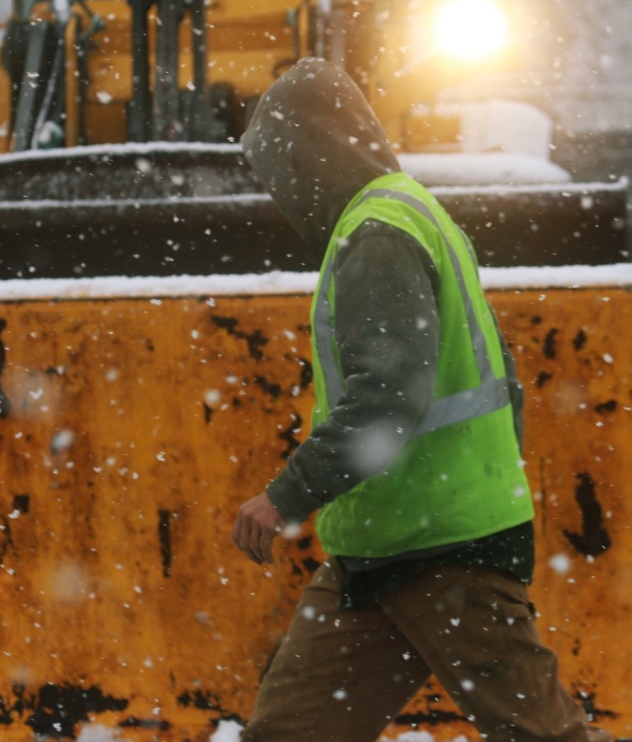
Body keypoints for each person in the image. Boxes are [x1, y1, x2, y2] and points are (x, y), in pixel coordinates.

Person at [232, 59, 610, 742]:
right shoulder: (404, 215)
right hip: (382, 547)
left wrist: (284, 495)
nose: (278, 196)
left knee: (541, 734)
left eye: (277, 175)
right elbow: (505, 387)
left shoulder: (379, 238)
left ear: (307, 157)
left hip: (445, 549)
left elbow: (385, 402)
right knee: (290, 731)